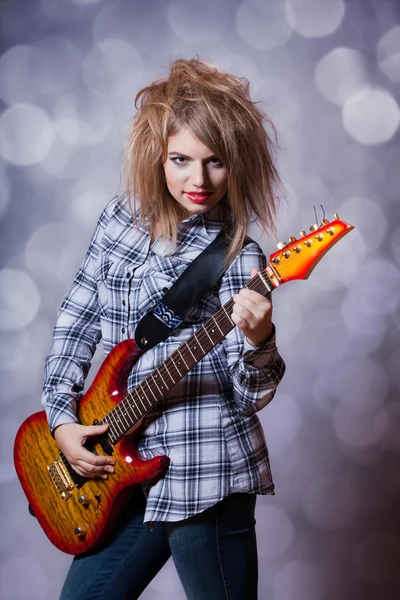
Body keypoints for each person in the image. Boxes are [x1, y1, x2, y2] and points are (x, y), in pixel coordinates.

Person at [42, 58, 286, 600]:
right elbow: (75, 318)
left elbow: (248, 396)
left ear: (237, 164)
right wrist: (61, 419)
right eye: (181, 159)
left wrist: (259, 340)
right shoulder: (118, 220)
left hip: (205, 470)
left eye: (215, 162)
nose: (197, 180)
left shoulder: (238, 260)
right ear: (157, 154)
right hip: (119, 465)